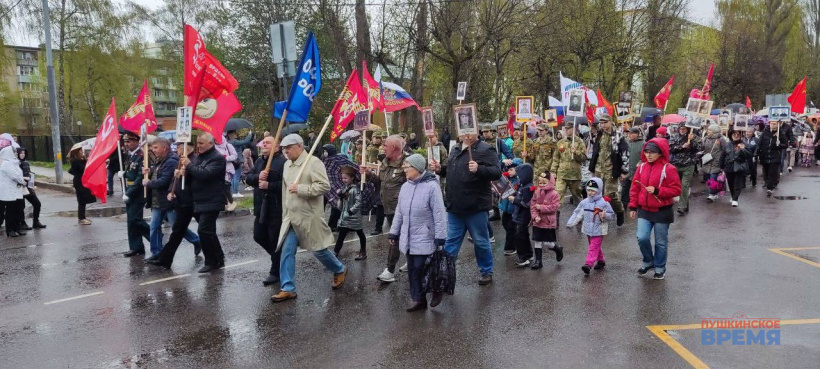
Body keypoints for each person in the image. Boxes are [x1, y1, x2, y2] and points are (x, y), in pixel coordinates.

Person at [271, 134, 347, 303]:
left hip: (309, 216)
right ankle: (288, 288)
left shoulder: (313, 162)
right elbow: (285, 192)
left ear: (299, 146)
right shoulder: (287, 165)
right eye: (283, 149)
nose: (285, 152)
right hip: (291, 217)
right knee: (286, 251)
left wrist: (301, 188)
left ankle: (339, 269)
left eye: (288, 148)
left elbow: (324, 186)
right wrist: (285, 213)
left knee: (318, 250)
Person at [429, 132, 502, 286]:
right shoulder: (455, 148)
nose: (466, 134)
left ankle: (486, 271)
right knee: (451, 243)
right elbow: (450, 170)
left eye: (469, 131)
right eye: (463, 132)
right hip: (455, 206)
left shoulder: (486, 149)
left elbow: (497, 172)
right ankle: (446, 273)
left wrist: (479, 168)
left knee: (481, 242)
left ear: (476, 131)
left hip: (475, 206)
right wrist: (439, 168)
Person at [388, 154, 447, 312]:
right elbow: (399, 213)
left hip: (425, 236)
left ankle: (436, 290)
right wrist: (394, 232)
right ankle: (418, 299)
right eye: (405, 167)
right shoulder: (405, 187)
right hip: (409, 237)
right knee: (413, 269)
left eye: (408, 167)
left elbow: (439, 213)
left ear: (418, 168)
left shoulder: (432, 187)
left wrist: (440, 236)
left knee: (423, 268)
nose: (405, 170)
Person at [628, 138, 682, 280]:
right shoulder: (641, 167)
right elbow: (635, 188)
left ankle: (659, 267)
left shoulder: (669, 168)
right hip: (644, 210)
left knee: (660, 242)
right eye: (646, 151)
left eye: (652, 152)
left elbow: (676, 190)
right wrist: (633, 206)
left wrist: (658, 191)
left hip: (662, 211)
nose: (649, 155)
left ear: (660, 153)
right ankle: (648, 261)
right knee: (642, 237)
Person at [146, 141, 203, 269]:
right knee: (157, 227)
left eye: (156, 147)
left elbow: (166, 180)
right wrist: (149, 172)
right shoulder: (161, 160)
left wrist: (149, 183)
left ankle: (198, 242)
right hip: (161, 199)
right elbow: (173, 179)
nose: (177, 148)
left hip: (178, 201)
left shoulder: (178, 160)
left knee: (178, 229)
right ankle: (158, 254)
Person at [361, 135, 407, 282]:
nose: (383, 148)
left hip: (402, 210)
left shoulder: (407, 163)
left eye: (386, 145)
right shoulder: (385, 162)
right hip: (388, 207)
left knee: (394, 239)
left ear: (394, 148)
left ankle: (390, 270)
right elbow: (379, 182)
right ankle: (413, 260)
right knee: (407, 236)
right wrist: (368, 174)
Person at [244, 136, 287, 285]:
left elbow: (286, 185)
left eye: (268, 143)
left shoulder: (283, 162)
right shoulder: (259, 161)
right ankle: (280, 260)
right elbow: (248, 177)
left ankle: (275, 271)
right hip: (260, 206)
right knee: (258, 236)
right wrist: (258, 176)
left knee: (275, 240)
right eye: (263, 142)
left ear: (277, 147)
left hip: (275, 207)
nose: (264, 144)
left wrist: (269, 185)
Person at [182, 133, 228, 273]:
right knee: (209, 232)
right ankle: (218, 258)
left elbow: (205, 175)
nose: (199, 146)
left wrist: (189, 166)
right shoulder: (198, 157)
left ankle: (210, 261)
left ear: (211, 143)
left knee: (203, 230)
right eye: (198, 143)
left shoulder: (218, 159)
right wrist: (184, 173)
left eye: (202, 143)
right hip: (199, 199)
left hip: (212, 199)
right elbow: (194, 174)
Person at [567, 177, 614, 275]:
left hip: (599, 229)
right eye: (588, 190)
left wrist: (605, 215)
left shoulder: (604, 203)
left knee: (593, 247)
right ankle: (601, 261)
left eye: (593, 190)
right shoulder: (584, 202)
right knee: (594, 246)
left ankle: (588, 264)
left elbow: (612, 215)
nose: (590, 192)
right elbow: (577, 212)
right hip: (588, 229)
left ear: (599, 190)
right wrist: (571, 222)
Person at [588, 114, 628, 225]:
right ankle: (599, 215)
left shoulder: (617, 136)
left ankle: (619, 211)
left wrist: (624, 171)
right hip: (599, 169)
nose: (603, 125)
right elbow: (595, 151)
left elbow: (624, 153)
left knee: (609, 194)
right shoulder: (599, 135)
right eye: (601, 123)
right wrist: (592, 167)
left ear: (610, 122)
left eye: (605, 122)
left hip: (611, 169)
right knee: (596, 193)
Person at [121, 133, 150, 257]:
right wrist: (124, 174)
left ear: (137, 141)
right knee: (131, 221)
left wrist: (129, 192)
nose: (127, 144)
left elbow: (140, 177)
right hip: (130, 190)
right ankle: (136, 247)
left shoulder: (142, 155)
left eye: (129, 142)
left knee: (135, 219)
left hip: (138, 192)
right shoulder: (131, 155)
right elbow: (131, 173)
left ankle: (155, 236)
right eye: (125, 142)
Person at [529, 170, 563, 269]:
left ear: (550, 182)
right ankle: (538, 261)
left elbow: (554, 207)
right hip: (538, 221)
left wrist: (542, 208)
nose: (542, 185)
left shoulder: (554, 194)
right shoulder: (536, 192)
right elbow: (532, 205)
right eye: (540, 183)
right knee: (537, 241)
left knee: (548, 243)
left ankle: (557, 249)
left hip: (548, 222)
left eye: (544, 182)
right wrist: (535, 216)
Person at [332, 166, 367, 260]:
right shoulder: (344, 188)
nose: (344, 180)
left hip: (354, 217)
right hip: (345, 217)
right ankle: (336, 251)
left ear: (352, 178)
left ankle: (363, 251)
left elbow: (358, 202)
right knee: (341, 235)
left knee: (360, 234)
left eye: (346, 178)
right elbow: (341, 206)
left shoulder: (355, 189)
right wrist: (340, 197)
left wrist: (351, 211)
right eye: (342, 178)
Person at [551, 122, 587, 204]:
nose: (566, 130)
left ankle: (580, 214)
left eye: (568, 129)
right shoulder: (560, 142)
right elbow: (556, 158)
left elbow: (584, 158)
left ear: (573, 129)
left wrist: (576, 152)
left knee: (577, 197)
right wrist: (553, 171)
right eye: (565, 129)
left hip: (574, 176)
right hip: (562, 174)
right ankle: (556, 215)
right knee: (557, 197)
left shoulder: (580, 142)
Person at [668, 125, 701, 215]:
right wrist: (682, 146)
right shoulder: (674, 137)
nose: (682, 130)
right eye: (681, 128)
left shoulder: (693, 137)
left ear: (687, 129)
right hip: (676, 165)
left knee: (684, 185)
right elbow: (670, 148)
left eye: (684, 129)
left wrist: (692, 141)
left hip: (688, 165)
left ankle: (682, 206)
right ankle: (686, 204)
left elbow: (699, 148)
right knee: (677, 186)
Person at [510, 163, 535, 267]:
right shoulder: (523, 186)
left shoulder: (528, 188)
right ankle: (529, 254)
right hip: (519, 215)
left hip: (523, 216)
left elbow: (526, 203)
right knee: (524, 235)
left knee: (519, 237)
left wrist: (514, 200)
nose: (519, 178)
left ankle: (523, 257)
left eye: (520, 176)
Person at [0, 146, 26, 237]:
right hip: (9, 193)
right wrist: (23, 181)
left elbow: (18, 174)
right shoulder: (7, 164)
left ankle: (17, 229)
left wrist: (22, 180)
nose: (16, 153)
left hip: (16, 191)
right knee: (10, 212)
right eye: (14, 152)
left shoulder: (14, 163)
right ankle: (10, 230)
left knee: (17, 211)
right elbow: (14, 176)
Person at [758, 120, 789, 197]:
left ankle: (770, 188)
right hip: (765, 156)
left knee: (772, 172)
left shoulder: (780, 133)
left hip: (774, 157)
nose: (773, 125)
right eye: (772, 124)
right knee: (766, 172)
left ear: (777, 125)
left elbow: (785, 144)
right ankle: (768, 182)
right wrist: (757, 153)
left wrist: (779, 145)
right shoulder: (765, 132)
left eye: (775, 124)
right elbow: (759, 143)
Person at [16, 148, 45, 229]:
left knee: (37, 203)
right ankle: (22, 223)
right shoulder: (15, 164)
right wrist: (23, 178)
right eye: (21, 153)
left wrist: (32, 183)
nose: (22, 155)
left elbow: (29, 174)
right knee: (21, 206)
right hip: (19, 187)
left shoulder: (26, 162)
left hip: (28, 187)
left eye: (24, 153)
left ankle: (36, 221)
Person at [498, 159, 522, 256]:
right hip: (506, 207)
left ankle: (510, 248)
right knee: (505, 224)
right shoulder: (506, 179)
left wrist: (515, 196)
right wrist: (502, 162)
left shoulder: (520, 181)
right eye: (508, 169)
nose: (509, 171)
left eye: (511, 169)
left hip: (514, 209)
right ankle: (515, 240)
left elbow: (522, 194)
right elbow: (497, 170)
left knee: (511, 228)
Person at [702, 124, 730, 202]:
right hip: (707, 161)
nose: (708, 132)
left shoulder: (721, 139)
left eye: (710, 130)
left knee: (713, 178)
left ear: (714, 131)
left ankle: (712, 194)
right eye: (708, 130)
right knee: (708, 179)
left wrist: (724, 161)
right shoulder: (706, 138)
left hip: (716, 162)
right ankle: (715, 192)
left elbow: (726, 150)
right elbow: (702, 147)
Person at [68, 148, 96, 225]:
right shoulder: (75, 161)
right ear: (76, 153)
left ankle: (83, 217)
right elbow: (84, 169)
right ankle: (81, 218)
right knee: (81, 200)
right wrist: (85, 161)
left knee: (83, 199)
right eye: (80, 151)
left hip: (81, 181)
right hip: (79, 182)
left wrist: (85, 160)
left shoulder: (79, 160)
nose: (82, 152)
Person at [723, 130, 750, 207]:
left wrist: (743, 149)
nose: (736, 135)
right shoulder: (727, 144)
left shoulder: (744, 144)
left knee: (738, 184)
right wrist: (721, 167)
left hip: (739, 167)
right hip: (729, 167)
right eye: (734, 134)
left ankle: (735, 199)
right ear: (731, 136)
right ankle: (733, 196)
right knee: (731, 184)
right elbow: (723, 155)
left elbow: (749, 155)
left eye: (738, 134)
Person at [621, 127, 644, 207]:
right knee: (624, 189)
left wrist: (640, 163)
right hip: (626, 171)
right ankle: (624, 205)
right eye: (628, 133)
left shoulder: (643, 144)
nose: (629, 135)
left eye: (632, 133)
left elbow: (644, 157)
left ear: (637, 134)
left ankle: (636, 205)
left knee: (636, 189)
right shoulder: (626, 143)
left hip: (637, 171)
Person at [215, 135, 239, 207]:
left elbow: (235, 155)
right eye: (215, 140)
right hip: (217, 169)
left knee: (226, 186)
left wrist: (226, 158)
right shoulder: (213, 147)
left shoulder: (228, 145)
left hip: (227, 170)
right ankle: (224, 204)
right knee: (219, 187)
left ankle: (231, 202)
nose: (217, 141)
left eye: (218, 139)